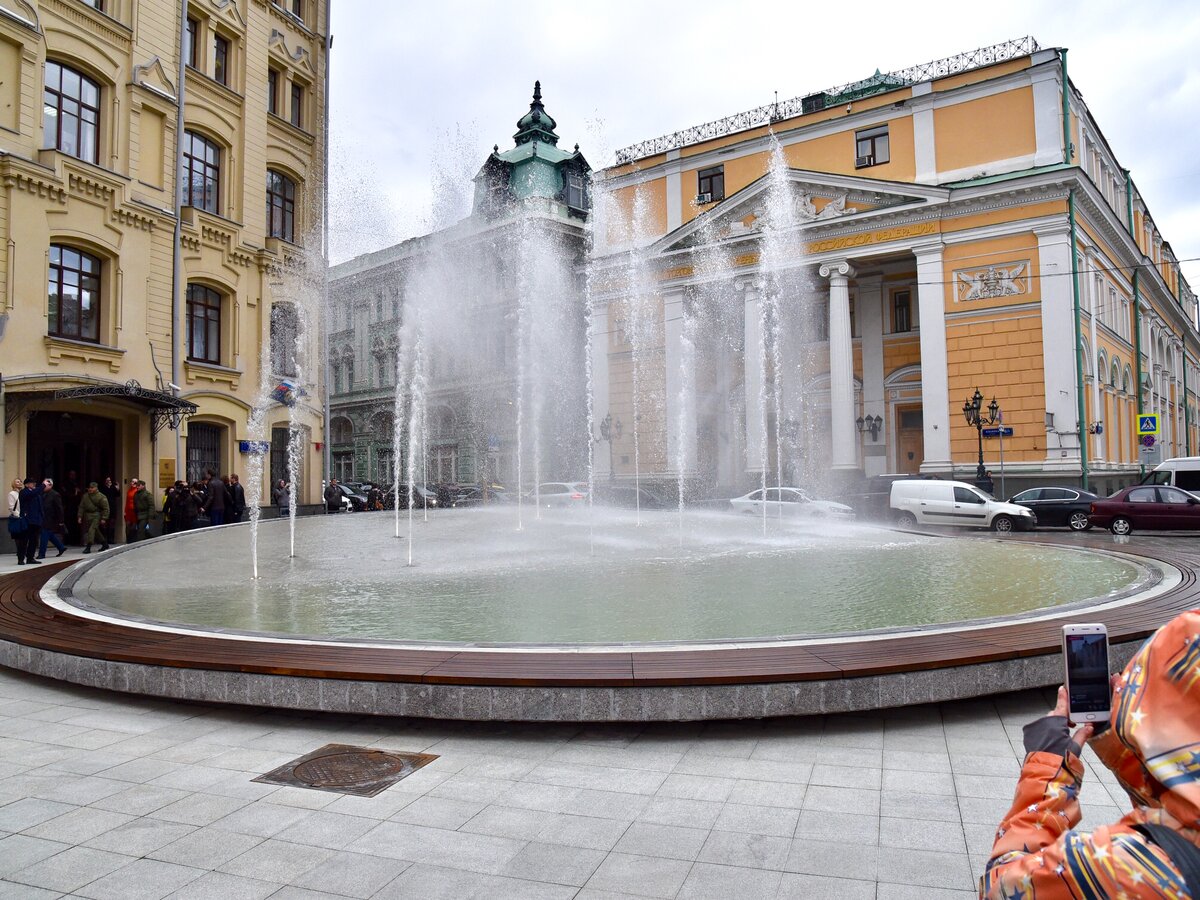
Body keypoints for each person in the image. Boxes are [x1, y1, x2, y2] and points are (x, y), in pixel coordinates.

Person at [980, 608, 1200, 898]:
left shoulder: (1127, 869)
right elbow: (1184, 803)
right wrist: (1123, 746)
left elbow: (1003, 886)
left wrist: (1046, 771)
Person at [15, 477, 47, 566]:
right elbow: (32, 494)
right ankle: (21, 559)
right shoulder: (24, 492)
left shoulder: (36, 493)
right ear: (27, 484)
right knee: (24, 541)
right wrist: (43, 485)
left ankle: (30, 558)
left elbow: (40, 506)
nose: (34, 484)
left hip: (36, 521)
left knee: (34, 540)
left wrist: (41, 517)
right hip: (27, 520)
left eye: (34, 483)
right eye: (32, 483)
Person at [36, 478, 67, 559]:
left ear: (50, 485)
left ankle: (41, 553)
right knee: (49, 534)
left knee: (44, 534)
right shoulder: (41, 493)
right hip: (42, 517)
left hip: (50, 518)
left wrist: (61, 520)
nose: (43, 486)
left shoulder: (55, 494)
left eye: (45, 485)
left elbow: (59, 508)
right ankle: (61, 547)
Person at [77, 481, 110, 553]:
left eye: (92, 488)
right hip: (87, 516)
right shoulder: (85, 496)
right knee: (96, 531)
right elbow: (81, 507)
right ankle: (104, 543)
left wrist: (104, 518)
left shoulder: (101, 496)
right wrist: (79, 516)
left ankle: (88, 546)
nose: (90, 489)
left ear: (96, 488)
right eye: (89, 487)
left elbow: (106, 508)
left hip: (96, 515)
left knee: (91, 530)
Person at [7, 477, 30, 564]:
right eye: (17, 481)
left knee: (25, 539)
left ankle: (24, 555)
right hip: (17, 519)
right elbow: (11, 507)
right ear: (14, 484)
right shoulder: (12, 494)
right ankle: (20, 558)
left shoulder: (23, 493)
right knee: (19, 539)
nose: (20, 483)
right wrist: (19, 515)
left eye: (20, 481)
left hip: (25, 518)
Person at [100, 476, 120, 547]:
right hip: (105, 508)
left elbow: (117, 495)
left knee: (112, 523)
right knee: (104, 524)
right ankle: (104, 539)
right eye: (107, 480)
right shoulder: (103, 488)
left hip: (112, 507)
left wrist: (117, 489)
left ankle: (111, 539)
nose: (109, 481)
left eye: (110, 480)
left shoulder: (113, 487)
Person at [123, 478, 138, 543]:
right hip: (128, 511)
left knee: (133, 527)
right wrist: (125, 511)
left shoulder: (137, 491)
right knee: (127, 526)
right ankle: (128, 540)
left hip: (134, 511)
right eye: (132, 481)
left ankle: (133, 541)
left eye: (135, 482)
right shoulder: (129, 491)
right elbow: (127, 502)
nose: (133, 483)